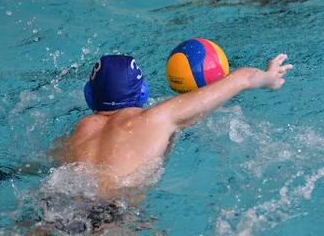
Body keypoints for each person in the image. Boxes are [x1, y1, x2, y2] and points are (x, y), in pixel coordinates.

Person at [54, 53, 293, 195]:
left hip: (55, 201)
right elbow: (244, 77)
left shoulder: (79, 129)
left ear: (89, 95)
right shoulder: (157, 117)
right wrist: (269, 78)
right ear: (143, 93)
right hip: (111, 209)